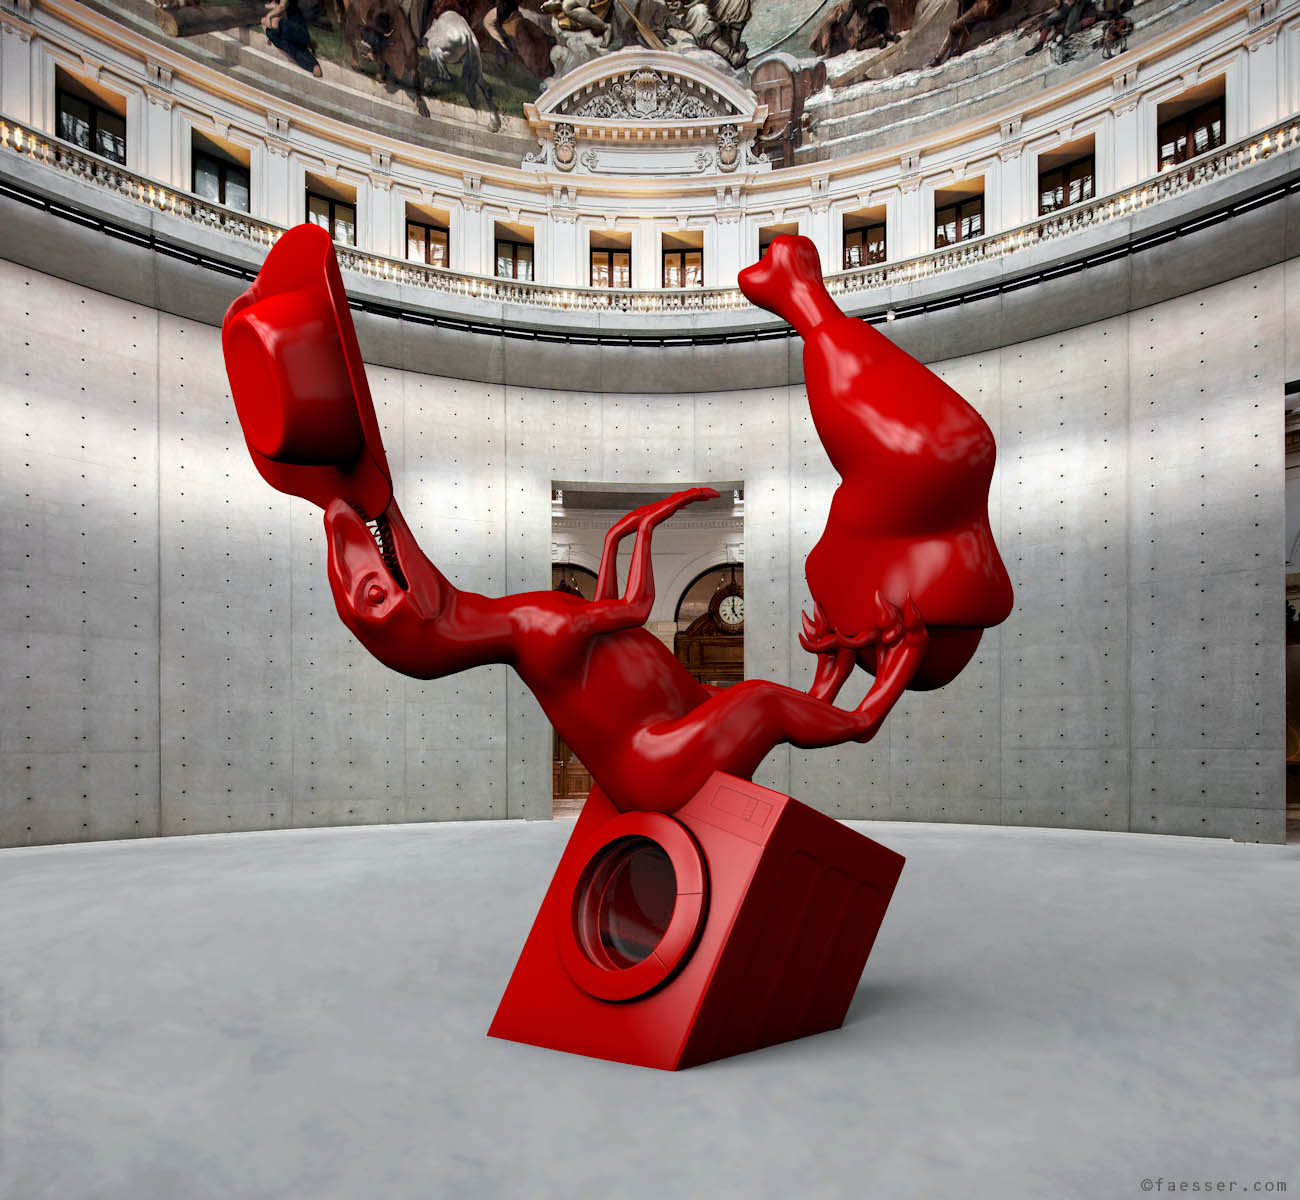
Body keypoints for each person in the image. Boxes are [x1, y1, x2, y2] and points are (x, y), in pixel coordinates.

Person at [262, 0, 323, 75]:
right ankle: (313, 65)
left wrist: (269, 15)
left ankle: (309, 56)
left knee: (275, 23)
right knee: (266, 24)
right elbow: (272, 8)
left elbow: (282, 7)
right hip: (288, 36)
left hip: (299, 31)